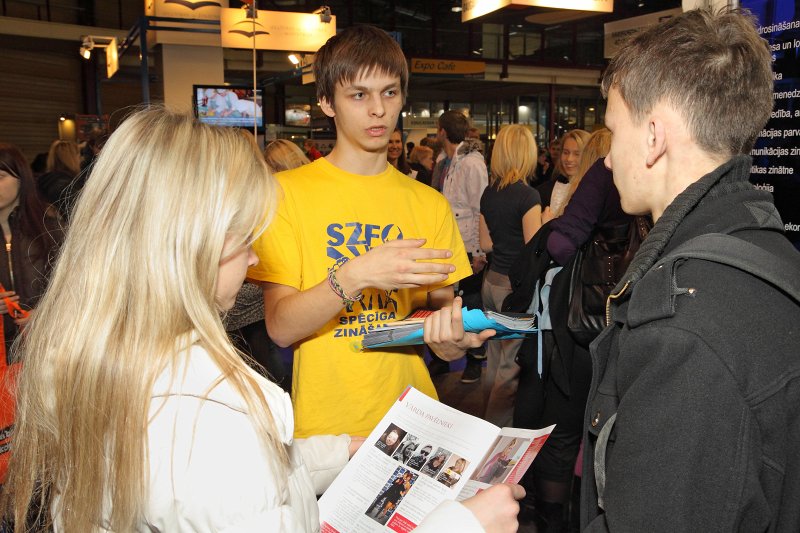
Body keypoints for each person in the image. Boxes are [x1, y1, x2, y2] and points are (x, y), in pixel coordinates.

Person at [2, 109, 519, 533]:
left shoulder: (117, 357)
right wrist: (462, 524)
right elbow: (225, 459)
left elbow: (234, 485)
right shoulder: (202, 410)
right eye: (241, 239)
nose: (253, 260)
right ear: (185, 244)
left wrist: (342, 452)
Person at [582, 8, 800, 531]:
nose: (607, 159)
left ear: (654, 135)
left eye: (613, 131)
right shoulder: (769, 249)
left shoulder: (682, 335)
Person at [249, 26, 493, 443]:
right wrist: (357, 274)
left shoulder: (429, 204)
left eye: (390, 92)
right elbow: (281, 327)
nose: (378, 109)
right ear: (327, 101)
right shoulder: (285, 194)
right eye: (359, 95)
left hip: (414, 421)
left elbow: (436, 320)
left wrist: (451, 343)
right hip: (326, 435)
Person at [224, 139, 312, 392]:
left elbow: (259, 265)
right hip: (279, 305)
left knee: (270, 375)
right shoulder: (279, 201)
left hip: (263, 308)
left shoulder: (272, 201)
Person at [478, 124, 542, 426]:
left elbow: (485, 244)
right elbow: (535, 249)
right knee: (509, 365)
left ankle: (481, 419)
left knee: (493, 358)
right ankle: (495, 432)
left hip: (491, 281)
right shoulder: (528, 197)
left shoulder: (489, 194)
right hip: (514, 290)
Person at [429, 110, 490, 383]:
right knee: (444, 302)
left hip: (467, 243)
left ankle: (476, 360)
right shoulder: (444, 160)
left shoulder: (472, 163)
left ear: (442, 131)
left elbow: (480, 208)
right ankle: (443, 357)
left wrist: (478, 252)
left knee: (470, 303)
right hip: (445, 242)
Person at [0, 144, 61, 356]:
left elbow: (77, 287)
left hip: (46, 350)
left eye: (0, 177)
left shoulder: (51, 230)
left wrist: (45, 313)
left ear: (22, 179)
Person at [537, 129, 590, 216]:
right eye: (566, 152)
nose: (569, 159)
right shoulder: (543, 191)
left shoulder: (598, 191)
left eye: (577, 154)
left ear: (588, 156)